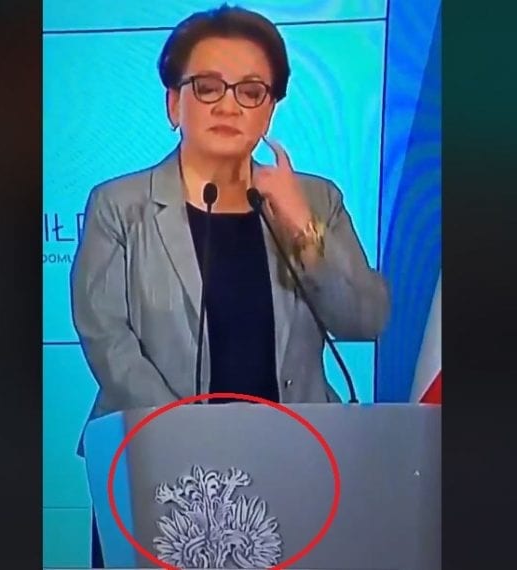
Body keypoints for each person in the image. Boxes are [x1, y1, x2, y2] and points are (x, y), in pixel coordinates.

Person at [69, 5, 389, 566]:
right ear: (174, 103)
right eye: (208, 86)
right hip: (155, 458)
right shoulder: (119, 205)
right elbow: (107, 338)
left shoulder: (316, 199)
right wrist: (187, 439)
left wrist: (301, 227)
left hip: (294, 459)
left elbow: (364, 319)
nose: (228, 105)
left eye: (251, 90)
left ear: (270, 110)